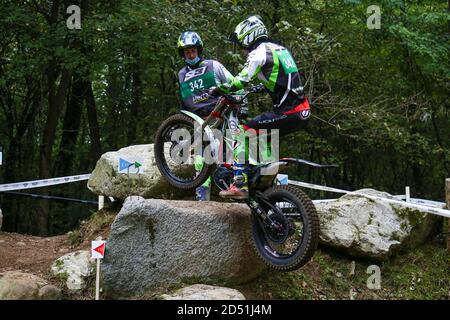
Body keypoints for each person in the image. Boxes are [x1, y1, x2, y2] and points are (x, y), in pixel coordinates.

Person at [216, 15, 311, 200]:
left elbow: (240, 81)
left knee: (244, 133)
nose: (243, 50)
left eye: (242, 44)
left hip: (288, 112)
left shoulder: (258, 53)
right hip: (302, 112)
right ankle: (268, 178)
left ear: (248, 36)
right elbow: (280, 76)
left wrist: (218, 88)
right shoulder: (280, 49)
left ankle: (239, 184)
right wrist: (262, 86)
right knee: (265, 135)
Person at [177, 31, 235, 201]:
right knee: (201, 160)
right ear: (183, 53)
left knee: (228, 155)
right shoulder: (181, 74)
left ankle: (233, 194)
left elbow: (233, 83)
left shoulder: (212, 65)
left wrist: (240, 106)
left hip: (220, 114)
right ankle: (202, 198)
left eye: (193, 50)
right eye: (187, 51)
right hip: (199, 120)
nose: (190, 53)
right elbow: (183, 100)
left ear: (198, 50)